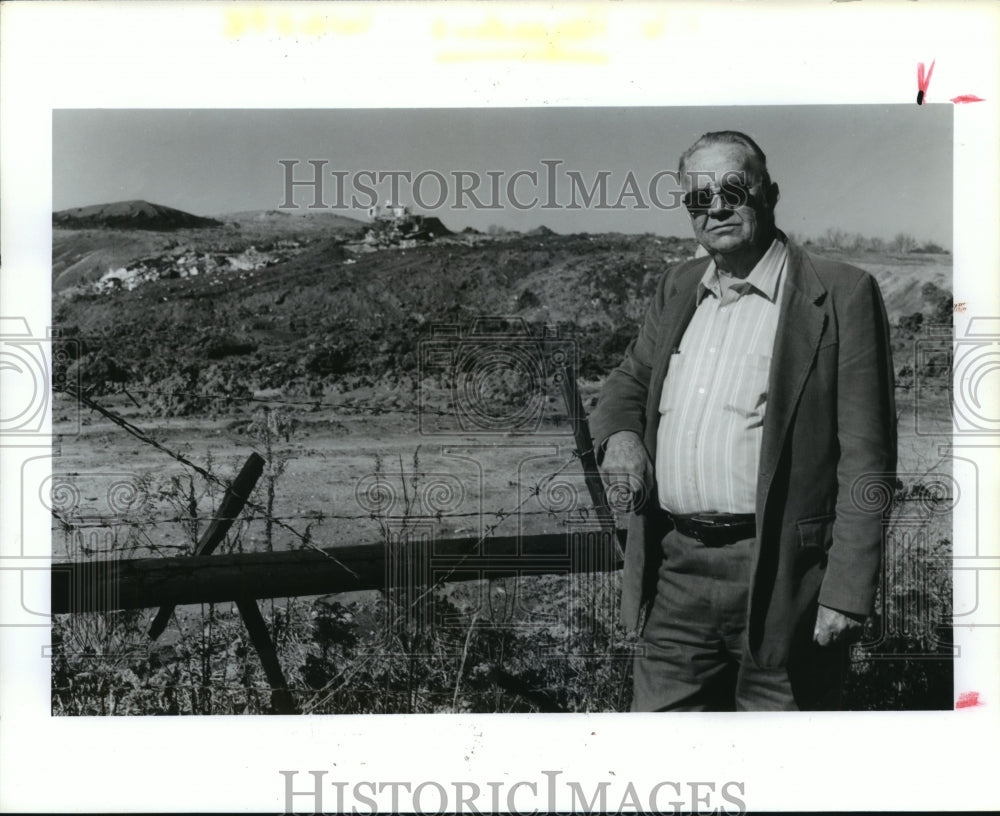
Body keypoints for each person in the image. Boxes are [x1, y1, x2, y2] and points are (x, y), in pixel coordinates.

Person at [589, 131, 897, 711]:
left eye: (733, 188)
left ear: (770, 193)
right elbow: (629, 380)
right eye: (698, 199)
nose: (717, 208)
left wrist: (847, 593)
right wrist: (622, 438)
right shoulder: (679, 286)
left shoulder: (841, 293)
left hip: (783, 578)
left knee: (782, 768)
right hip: (676, 570)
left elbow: (868, 455)